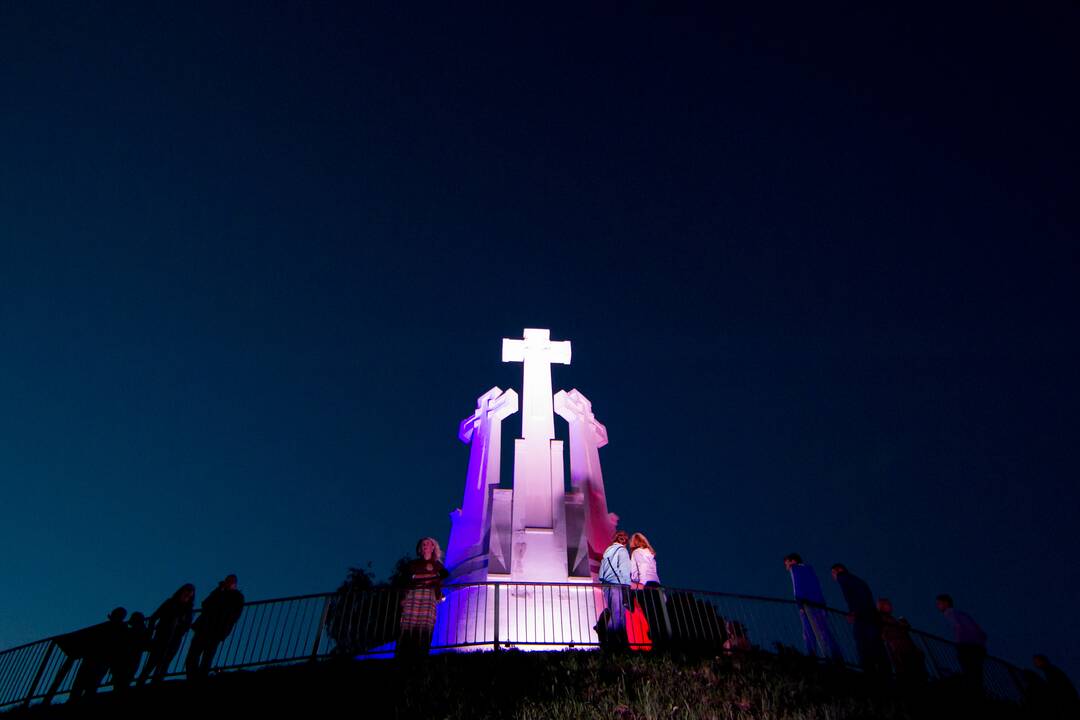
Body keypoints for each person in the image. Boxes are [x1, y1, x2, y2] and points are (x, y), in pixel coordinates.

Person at [830, 564, 889, 675]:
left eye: (833, 573)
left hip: (863, 616)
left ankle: (870, 673)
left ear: (838, 570)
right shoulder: (858, 580)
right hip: (870, 616)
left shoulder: (844, 578)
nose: (833, 577)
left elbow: (853, 597)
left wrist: (854, 612)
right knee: (877, 646)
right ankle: (884, 673)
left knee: (864, 645)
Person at [396, 537, 449, 658]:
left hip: (428, 596)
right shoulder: (414, 564)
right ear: (420, 548)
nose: (425, 546)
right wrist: (404, 596)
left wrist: (437, 593)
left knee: (425, 625)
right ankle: (403, 654)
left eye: (428, 544)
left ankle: (421, 654)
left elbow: (444, 575)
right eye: (423, 544)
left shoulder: (437, 565)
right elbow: (408, 578)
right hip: (413, 594)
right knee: (408, 624)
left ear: (433, 547)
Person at [784, 554, 842, 661]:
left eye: (786, 563)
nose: (786, 567)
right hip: (819, 603)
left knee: (808, 631)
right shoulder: (809, 569)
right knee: (823, 630)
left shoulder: (795, 569)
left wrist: (800, 605)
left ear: (792, 561)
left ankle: (812, 656)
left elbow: (797, 588)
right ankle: (836, 656)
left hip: (807, 604)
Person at [186, 575, 244, 679]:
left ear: (234, 584)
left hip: (216, 630)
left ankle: (200, 678)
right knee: (192, 656)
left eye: (229, 581)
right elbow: (205, 603)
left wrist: (225, 627)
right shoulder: (218, 592)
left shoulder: (237, 597)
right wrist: (219, 590)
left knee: (206, 658)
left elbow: (235, 614)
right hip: (204, 627)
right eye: (227, 581)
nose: (227, 583)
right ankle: (193, 678)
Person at [138, 583, 195, 684]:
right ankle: (141, 683)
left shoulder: (188, 609)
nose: (187, 595)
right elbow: (154, 617)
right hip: (162, 636)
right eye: (186, 592)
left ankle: (155, 683)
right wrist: (151, 632)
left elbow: (187, 625)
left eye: (189, 594)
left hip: (175, 639)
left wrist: (180, 626)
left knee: (163, 664)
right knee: (152, 663)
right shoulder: (170, 603)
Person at [935, 594, 987, 694]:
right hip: (977, 647)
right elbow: (981, 633)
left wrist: (960, 645)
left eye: (939, 603)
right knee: (977, 675)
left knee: (971, 675)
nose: (937, 606)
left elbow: (958, 628)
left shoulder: (950, 613)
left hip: (968, 647)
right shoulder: (961, 614)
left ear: (946, 603)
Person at [876, 598, 927, 687]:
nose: (891, 607)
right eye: (888, 605)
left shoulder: (890, 619)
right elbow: (885, 633)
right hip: (900, 648)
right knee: (907, 671)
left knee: (913, 671)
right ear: (882, 606)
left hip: (905, 648)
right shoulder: (882, 618)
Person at [629, 532, 667, 646]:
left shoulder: (636, 552)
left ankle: (656, 641)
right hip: (656, 585)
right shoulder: (650, 554)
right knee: (660, 616)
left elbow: (638, 569)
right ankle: (664, 642)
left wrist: (638, 583)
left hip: (645, 586)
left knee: (650, 615)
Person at [598, 530, 631, 649]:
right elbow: (625, 570)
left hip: (607, 586)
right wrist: (628, 587)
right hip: (618, 584)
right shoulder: (622, 551)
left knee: (614, 613)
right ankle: (618, 644)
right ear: (625, 542)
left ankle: (610, 642)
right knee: (619, 615)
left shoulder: (607, 553)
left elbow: (601, 574)